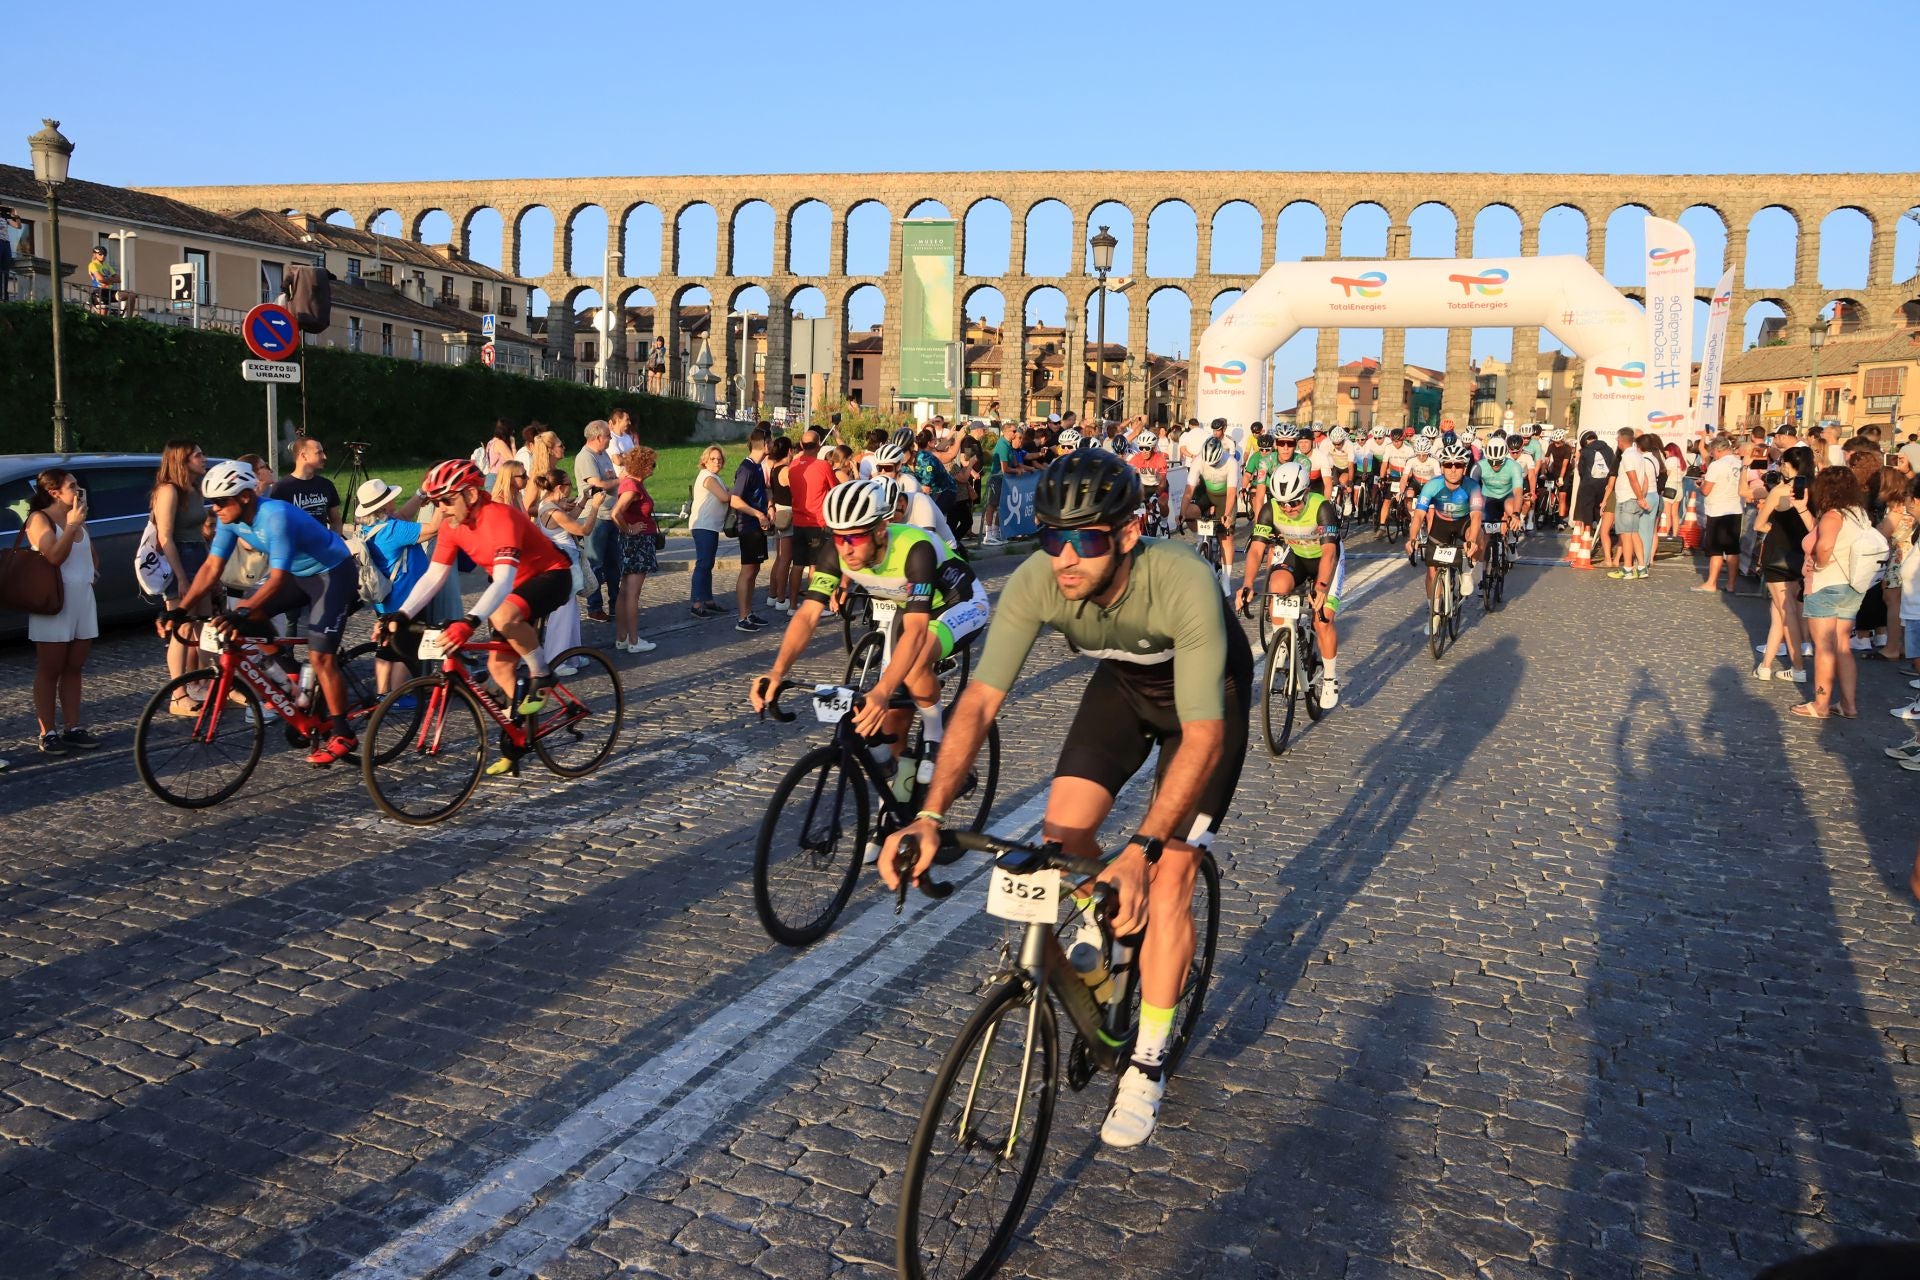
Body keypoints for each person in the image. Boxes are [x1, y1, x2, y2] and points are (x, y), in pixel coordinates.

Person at [881, 450, 1251, 1148]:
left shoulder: (1183, 581)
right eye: (1053, 537)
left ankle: (1146, 1060)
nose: (1066, 558)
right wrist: (929, 815)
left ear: (1129, 534)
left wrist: (1141, 851)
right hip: (1124, 691)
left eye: (1085, 540)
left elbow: (1203, 736)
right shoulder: (1039, 582)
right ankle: (1104, 980)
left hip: (1207, 712)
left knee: (1167, 875)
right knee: (1059, 846)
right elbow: (979, 702)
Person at [750, 478, 989, 811]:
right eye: (839, 536)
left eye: (855, 537)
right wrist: (777, 671)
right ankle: (895, 791)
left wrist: (881, 691)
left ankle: (935, 737)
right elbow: (807, 615)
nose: (845, 548)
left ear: (880, 529)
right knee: (890, 718)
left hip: (958, 603)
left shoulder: (915, 547)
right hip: (910, 608)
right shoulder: (838, 552)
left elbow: (918, 633)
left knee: (911, 663)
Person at [376, 459, 574, 778]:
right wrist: (400, 614)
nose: (440, 508)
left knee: (504, 613)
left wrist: (468, 622)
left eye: (446, 500)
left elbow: (504, 583)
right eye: (435, 501)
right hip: (509, 589)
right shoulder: (452, 525)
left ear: (469, 495)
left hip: (549, 576)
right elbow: (434, 575)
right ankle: (518, 736)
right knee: (498, 667)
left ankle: (542, 672)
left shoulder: (501, 518)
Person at [171, 461, 360, 766]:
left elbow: (278, 578)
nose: (215, 509)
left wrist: (243, 612)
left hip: (332, 574)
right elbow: (211, 568)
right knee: (246, 615)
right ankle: (292, 673)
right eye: (212, 503)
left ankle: (343, 732)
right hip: (298, 575)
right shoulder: (229, 520)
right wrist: (180, 610)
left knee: (320, 656)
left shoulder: (276, 516)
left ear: (244, 496)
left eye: (221, 502)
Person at [1237, 461, 1343, 709]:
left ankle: (1329, 677)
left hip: (1326, 561)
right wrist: (1247, 584)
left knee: (1322, 617)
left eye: (1294, 502)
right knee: (1276, 586)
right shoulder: (1270, 509)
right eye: (1282, 502)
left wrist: (1323, 587)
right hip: (1298, 555)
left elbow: (1329, 553)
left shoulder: (1322, 508)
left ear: (1306, 493)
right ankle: (1282, 641)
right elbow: (1256, 550)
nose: (1288, 508)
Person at [23, 468, 100, 755]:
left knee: (74, 667)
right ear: (54, 492)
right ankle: (48, 732)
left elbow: (91, 558)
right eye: (72, 485)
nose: (78, 489)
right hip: (53, 601)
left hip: (82, 599)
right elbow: (53, 556)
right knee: (50, 668)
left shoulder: (78, 519)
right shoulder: (39, 519)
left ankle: (73, 726)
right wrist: (70, 527)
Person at [353, 477, 445, 702]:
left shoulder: (370, 527)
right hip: (406, 599)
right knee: (405, 647)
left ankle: (382, 694)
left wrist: (421, 494)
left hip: (385, 600)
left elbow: (403, 516)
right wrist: (444, 502)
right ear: (384, 506)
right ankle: (397, 697)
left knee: (386, 646)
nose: (394, 500)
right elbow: (434, 529)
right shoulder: (393, 530)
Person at [1793, 466, 1872, 720]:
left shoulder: (1833, 515)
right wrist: (1804, 510)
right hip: (1851, 586)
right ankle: (1849, 705)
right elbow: (1819, 533)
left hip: (1826, 585)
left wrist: (1817, 563)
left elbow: (1824, 544)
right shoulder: (1858, 514)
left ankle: (1821, 703)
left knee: (1824, 647)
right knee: (1842, 646)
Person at [150, 440, 211, 714]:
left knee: (204, 624)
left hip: (198, 554)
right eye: (197, 455)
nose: (203, 458)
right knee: (182, 627)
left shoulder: (195, 488)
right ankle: (178, 695)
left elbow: (203, 530)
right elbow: (165, 537)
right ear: (182, 460)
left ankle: (202, 683)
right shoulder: (169, 491)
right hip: (180, 558)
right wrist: (182, 577)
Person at [532, 470, 605, 675]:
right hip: (562, 564)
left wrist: (584, 500)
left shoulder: (550, 506)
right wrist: (595, 508)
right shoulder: (552, 511)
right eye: (569, 484)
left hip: (565, 560)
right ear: (559, 488)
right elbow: (583, 530)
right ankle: (557, 659)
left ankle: (570, 655)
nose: (571, 488)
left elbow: (569, 517)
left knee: (571, 610)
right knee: (562, 612)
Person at [1408, 442, 1484, 627]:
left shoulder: (1472, 487)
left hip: (1463, 523)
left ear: (1464, 468)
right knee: (1431, 573)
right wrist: (1412, 538)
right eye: (1448, 465)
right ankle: (1433, 614)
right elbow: (1419, 515)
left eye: (1458, 465)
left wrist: (1472, 541)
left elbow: (1475, 516)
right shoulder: (1433, 485)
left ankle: (1467, 569)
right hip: (1441, 525)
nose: (1453, 469)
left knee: (1479, 534)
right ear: (1441, 467)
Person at [689, 444, 766, 622]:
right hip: (703, 526)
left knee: (708, 563)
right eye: (713, 459)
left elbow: (727, 494)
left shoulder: (714, 477)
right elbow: (725, 497)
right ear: (705, 461)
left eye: (719, 459)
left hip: (710, 526)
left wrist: (737, 491)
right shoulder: (707, 477)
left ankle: (707, 600)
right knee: (703, 563)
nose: (717, 462)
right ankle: (696, 603)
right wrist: (740, 492)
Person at [609, 446, 661, 653]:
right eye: (652, 464)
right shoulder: (632, 486)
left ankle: (622, 638)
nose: (653, 468)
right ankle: (633, 640)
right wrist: (629, 529)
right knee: (632, 593)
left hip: (634, 542)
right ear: (643, 465)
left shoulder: (631, 484)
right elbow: (616, 513)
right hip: (637, 543)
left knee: (624, 592)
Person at [1179, 428, 1241, 595]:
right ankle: (1202, 540)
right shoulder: (1199, 460)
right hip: (1207, 494)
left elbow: (1231, 493)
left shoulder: (1231, 462)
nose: (1211, 465)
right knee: (1190, 513)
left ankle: (1226, 580)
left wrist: (1227, 515)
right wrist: (1181, 513)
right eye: (1209, 463)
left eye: (1214, 463)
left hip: (1224, 497)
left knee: (1226, 537)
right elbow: (1189, 491)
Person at [787, 429, 839, 614]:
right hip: (818, 522)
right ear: (819, 445)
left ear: (801, 445)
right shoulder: (822, 466)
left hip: (798, 521)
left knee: (798, 565)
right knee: (815, 565)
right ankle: (814, 605)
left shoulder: (792, 465)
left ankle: (792, 605)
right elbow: (835, 489)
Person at [729, 429, 775, 632]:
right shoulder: (746, 469)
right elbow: (735, 499)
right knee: (747, 571)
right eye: (770, 442)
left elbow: (763, 490)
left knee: (754, 569)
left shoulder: (757, 467)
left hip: (756, 526)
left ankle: (749, 612)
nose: (772, 445)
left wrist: (769, 508)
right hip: (747, 526)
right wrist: (758, 514)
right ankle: (741, 617)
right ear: (765, 444)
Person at [574, 420, 620, 622]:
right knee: (595, 564)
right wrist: (622, 480)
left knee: (614, 564)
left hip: (610, 515)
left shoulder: (604, 455)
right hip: (595, 515)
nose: (610, 438)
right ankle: (594, 607)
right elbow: (598, 485)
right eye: (608, 435)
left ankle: (615, 604)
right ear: (597, 437)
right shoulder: (586, 457)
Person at [1697, 436, 1745, 592]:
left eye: (1713, 452)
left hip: (1718, 509)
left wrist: (1700, 485)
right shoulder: (1740, 463)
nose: (1712, 455)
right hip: (1736, 508)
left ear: (1717, 450)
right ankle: (1731, 584)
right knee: (1732, 549)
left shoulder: (1717, 465)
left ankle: (1711, 583)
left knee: (1716, 549)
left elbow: (1706, 490)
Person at [271, 437, 342, 533]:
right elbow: (274, 527)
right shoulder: (281, 488)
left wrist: (332, 544)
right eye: (319, 452)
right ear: (304, 456)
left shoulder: (327, 485)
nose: (324, 456)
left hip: (322, 547)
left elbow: (336, 521)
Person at [766, 435, 797, 610]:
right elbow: (796, 491)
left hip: (778, 512)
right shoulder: (786, 470)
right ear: (789, 451)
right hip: (788, 514)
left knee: (779, 558)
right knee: (786, 559)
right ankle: (781, 598)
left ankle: (772, 594)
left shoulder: (774, 469)